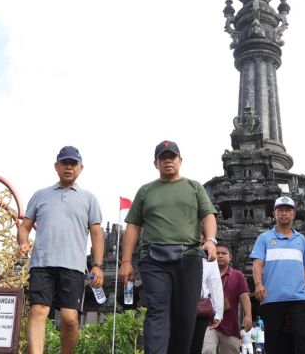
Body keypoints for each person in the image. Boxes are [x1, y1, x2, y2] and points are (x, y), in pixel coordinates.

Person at [119, 140, 218, 354]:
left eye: (172, 157)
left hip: (189, 257)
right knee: (157, 310)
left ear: (180, 161)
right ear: (155, 163)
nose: (168, 161)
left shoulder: (194, 187)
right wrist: (126, 261)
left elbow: (208, 216)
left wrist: (210, 240)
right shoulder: (146, 191)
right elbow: (133, 227)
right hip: (154, 259)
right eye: (163, 158)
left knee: (186, 314)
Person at [17, 146, 105, 354]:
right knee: (38, 311)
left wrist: (98, 265)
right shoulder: (40, 195)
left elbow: (96, 233)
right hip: (42, 263)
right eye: (64, 163)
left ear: (80, 168)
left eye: (73, 164)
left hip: (73, 265)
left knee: (70, 318)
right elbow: (25, 227)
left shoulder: (89, 199)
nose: (68, 167)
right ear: (56, 166)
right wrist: (23, 242)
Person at [250, 196, 305, 354]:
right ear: (274, 214)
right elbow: (257, 263)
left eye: (288, 210)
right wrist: (258, 284)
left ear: (293, 214)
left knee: (303, 341)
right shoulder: (264, 238)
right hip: (273, 297)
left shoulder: (301, 239)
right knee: (274, 342)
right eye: (280, 210)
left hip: (299, 298)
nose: (284, 213)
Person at [202, 243, 253, 354]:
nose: (220, 256)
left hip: (230, 324)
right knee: (207, 350)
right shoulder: (205, 273)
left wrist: (248, 316)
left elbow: (244, 296)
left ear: (230, 257)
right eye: (217, 253)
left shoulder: (237, 275)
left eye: (224, 253)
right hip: (208, 322)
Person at [190, 255, 224, 353]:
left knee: (196, 346)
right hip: (176, 304)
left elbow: (214, 284)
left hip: (200, 307)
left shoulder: (208, 254)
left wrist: (218, 313)